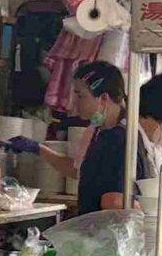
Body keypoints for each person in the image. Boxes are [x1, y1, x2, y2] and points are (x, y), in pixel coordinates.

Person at [45, 62, 131, 216]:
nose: (74, 103)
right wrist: (39, 150)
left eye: (80, 95)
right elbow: (78, 170)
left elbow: (116, 201)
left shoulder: (120, 140)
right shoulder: (99, 130)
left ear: (104, 98)